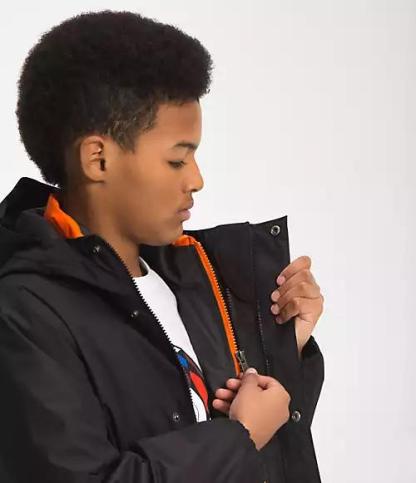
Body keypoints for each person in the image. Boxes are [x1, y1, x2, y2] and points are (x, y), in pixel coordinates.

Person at [0, 10, 325, 483]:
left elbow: (260, 446)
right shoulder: (24, 314)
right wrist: (238, 437)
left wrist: (282, 346)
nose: (197, 179)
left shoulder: (193, 278)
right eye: (177, 160)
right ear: (98, 159)